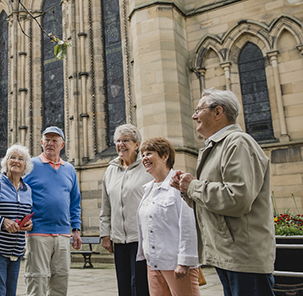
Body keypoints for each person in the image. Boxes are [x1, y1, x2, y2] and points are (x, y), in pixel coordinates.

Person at [172, 87, 275, 296]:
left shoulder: (238, 143)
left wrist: (193, 186)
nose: (193, 116)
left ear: (218, 112)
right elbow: (215, 200)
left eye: (199, 109)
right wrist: (186, 189)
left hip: (244, 257)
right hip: (229, 255)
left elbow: (237, 199)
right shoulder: (218, 146)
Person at [23, 126, 82, 296]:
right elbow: (18, 192)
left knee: (60, 282)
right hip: (38, 233)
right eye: (47, 140)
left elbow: (75, 202)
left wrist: (76, 229)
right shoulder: (31, 165)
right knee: (37, 280)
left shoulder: (69, 169)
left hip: (63, 235)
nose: (50, 143)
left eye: (54, 140)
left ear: (62, 144)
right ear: (41, 142)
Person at [137, 137, 200, 296]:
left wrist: (185, 262)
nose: (144, 158)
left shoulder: (179, 183)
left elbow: (189, 225)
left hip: (176, 264)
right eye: (143, 155)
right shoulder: (148, 189)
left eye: (149, 153)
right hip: (154, 264)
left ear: (165, 156)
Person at [99, 124, 152, 296]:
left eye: (125, 140)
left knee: (140, 285)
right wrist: (105, 234)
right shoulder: (110, 170)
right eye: (118, 141)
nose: (121, 144)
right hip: (119, 240)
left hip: (141, 239)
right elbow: (106, 206)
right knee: (124, 286)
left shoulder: (147, 168)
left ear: (137, 144)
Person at [0, 143, 34, 296]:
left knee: (10, 293)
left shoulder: (27, 190)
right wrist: (2, 221)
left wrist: (28, 224)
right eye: (12, 157)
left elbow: (26, 214)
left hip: (15, 252)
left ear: (25, 166)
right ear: (6, 162)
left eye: (21, 159)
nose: (16, 161)